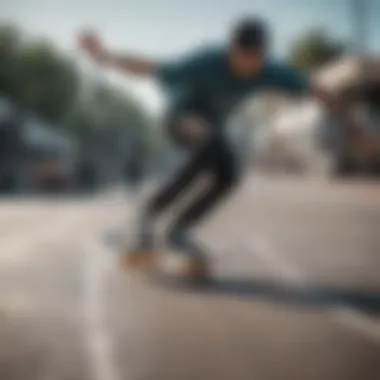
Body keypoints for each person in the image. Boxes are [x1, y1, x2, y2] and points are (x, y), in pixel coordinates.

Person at [78, 17, 378, 281]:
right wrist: (104, 55)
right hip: (179, 120)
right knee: (208, 138)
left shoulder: (271, 70)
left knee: (229, 173)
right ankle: (148, 214)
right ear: (229, 48)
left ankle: (178, 230)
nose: (243, 66)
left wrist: (356, 128)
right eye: (237, 57)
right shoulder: (207, 60)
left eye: (250, 59)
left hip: (211, 130)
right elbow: (149, 68)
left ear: (261, 55)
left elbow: (318, 89)